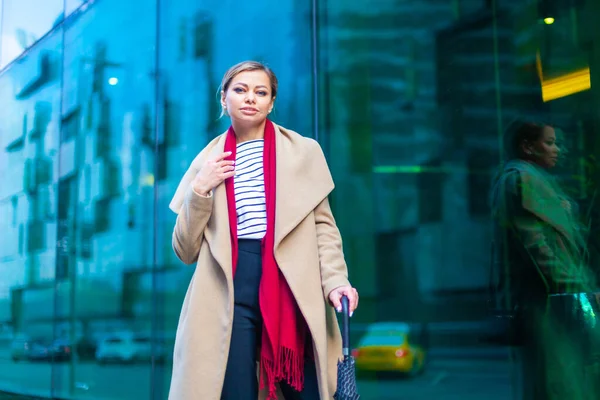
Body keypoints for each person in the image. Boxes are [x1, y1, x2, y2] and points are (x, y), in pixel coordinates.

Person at [167, 60, 359, 400]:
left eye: (261, 92)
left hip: (291, 285)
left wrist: (336, 281)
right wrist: (200, 190)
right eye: (240, 90)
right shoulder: (206, 162)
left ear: (271, 102)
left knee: (309, 390)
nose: (250, 98)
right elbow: (185, 250)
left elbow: (324, 228)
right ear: (223, 99)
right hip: (227, 290)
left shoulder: (303, 152)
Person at [490, 120, 598, 400]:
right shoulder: (520, 180)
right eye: (550, 143)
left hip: (558, 302)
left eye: (557, 143)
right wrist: (582, 290)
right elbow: (540, 252)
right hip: (550, 304)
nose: (557, 150)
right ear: (527, 146)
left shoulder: (534, 179)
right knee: (560, 383)